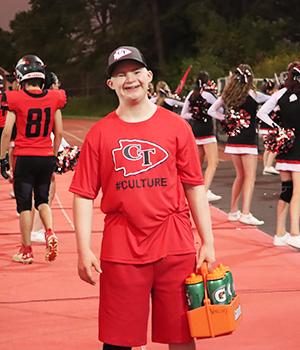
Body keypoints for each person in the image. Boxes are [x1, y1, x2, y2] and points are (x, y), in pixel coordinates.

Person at [69, 46, 215, 350]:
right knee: (118, 340)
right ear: (111, 84)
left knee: (182, 336)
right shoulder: (99, 134)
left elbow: (194, 186)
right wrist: (83, 248)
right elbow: (83, 194)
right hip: (122, 246)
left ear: (148, 77)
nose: (129, 79)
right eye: (120, 75)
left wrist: (208, 241)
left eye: (136, 72)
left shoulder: (177, 126)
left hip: (174, 243)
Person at [0, 55, 66, 264]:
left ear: (20, 77)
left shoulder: (15, 98)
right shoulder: (55, 97)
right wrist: (54, 155)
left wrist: (2, 159)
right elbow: (60, 131)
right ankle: (49, 231)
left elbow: (6, 132)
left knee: (24, 206)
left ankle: (26, 250)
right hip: (46, 155)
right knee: (43, 200)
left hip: (24, 157)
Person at [208, 64, 274, 225]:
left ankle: (233, 211)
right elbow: (273, 101)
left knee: (239, 176)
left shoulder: (228, 94)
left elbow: (211, 111)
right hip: (248, 141)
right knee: (250, 178)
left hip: (233, 140)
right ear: (250, 78)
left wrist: (227, 119)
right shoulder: (254, 94)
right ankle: (245, 213)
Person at [257, 62, 300, 248]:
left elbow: (262, 113)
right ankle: (295, 233)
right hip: (298, 146)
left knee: (287, 190)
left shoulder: (280, 93)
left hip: (285, 146)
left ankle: (279, 234)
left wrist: (279, 129)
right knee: (298, 191)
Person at [31, 71, 70, 243]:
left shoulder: (32, 100)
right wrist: (57, 153)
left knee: (38, 191)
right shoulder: (51, 102)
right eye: (56, 83)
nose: (58, 86)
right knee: (45, 191)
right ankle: (36, 229)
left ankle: (34, 228)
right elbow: (57, 132)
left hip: (29, 149)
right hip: (44, 148)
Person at [181, 71, 222, 202]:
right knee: (213, 162)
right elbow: (219, 109)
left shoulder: (191, 94)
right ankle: (204, 191)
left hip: (195, 130)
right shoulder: (209, 95)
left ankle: (194, 189)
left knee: (198, 162)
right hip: (207, 130)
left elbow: (183, 114)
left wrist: (195, 116)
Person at [258, 78, 279, 175]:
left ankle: (266, 166)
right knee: (274, 146)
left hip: (264, 125)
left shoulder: (262, 96)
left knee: (268, 147)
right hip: (270, 125)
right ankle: (268, 166)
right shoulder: (273, 98)